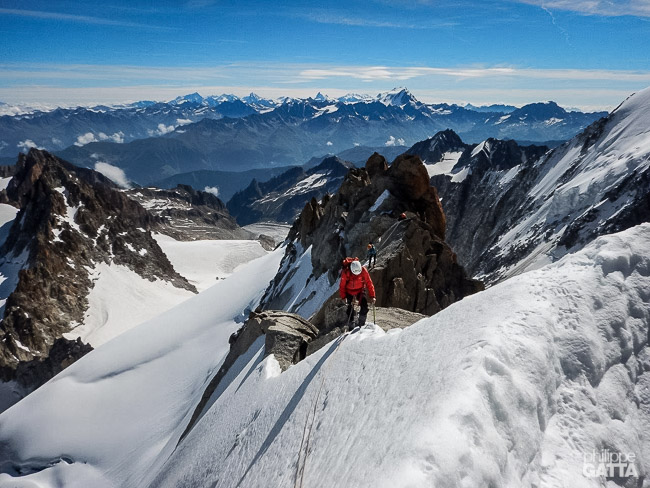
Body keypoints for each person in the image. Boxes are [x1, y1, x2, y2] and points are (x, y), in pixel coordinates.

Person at [339, 257, 376, 329]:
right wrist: (344, 297)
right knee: (350, 308)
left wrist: (372, 296)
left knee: (364, 306)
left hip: (360, 290)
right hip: (349, 291)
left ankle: (361, 323)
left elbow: (369, 283)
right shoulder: (346, 272)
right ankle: (351, 324)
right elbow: (342, 286)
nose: (356, 275)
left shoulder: (363, 270)